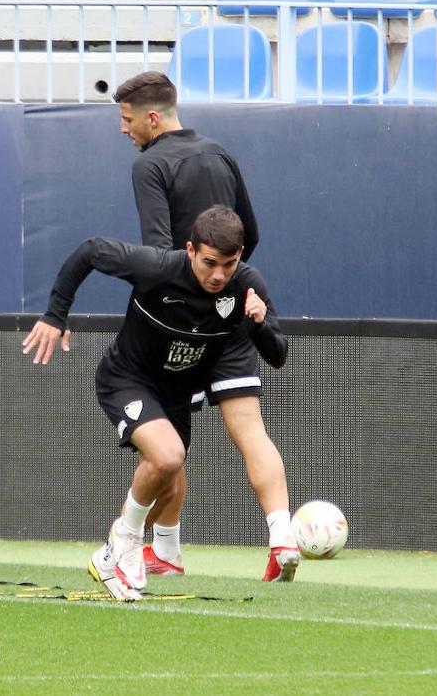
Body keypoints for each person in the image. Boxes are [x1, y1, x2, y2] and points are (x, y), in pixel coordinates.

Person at [21, 205, 298, 601]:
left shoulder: (247, 285)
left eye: (229, 264)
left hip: (175, 396)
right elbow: (90, 251)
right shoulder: (156, 267)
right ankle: (126, 539)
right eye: (209, 263)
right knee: (167, 456)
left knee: (169, 480)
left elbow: (278, 355)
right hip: (126, 380)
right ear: (190, 250)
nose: (219, 275)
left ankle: (109, 556)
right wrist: (54, 315)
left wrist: (258, 322)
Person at [112, 70, 262, 577]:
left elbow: (158, 249)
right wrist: (223, 289)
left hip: (169, 322)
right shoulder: (220, 153)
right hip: (224, 318)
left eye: (127, 119)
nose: (123, 129)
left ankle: (134, 543)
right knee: (180, 438)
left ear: (152, 117)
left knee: (164, 441)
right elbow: (251, 235)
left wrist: (186, 292)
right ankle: (167, 551)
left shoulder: (149, 163)